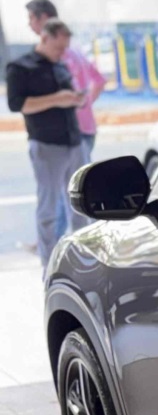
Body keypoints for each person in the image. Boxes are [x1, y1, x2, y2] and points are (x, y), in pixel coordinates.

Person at [7, 18, 86, 268]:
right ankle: (50, 266)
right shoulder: (20, 67)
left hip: (74, 142)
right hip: (47, 145)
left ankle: (82, 262)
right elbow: (17, 104)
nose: (62, 53)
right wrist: (57, 99)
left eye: (65, 48)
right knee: (49, 210)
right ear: (44, 38)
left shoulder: (60, 65)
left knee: (82, 206)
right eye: (59, 47)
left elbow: (66, 97)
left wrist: (75, 99)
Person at [26, 0, 104, 161]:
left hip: (69, 133)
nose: (29, 24)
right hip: (84, 128)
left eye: (31, 18)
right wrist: (85, 105)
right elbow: (99, 80)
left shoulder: (57, 52)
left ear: (44, 18)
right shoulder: (74, 47)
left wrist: (75, 106)